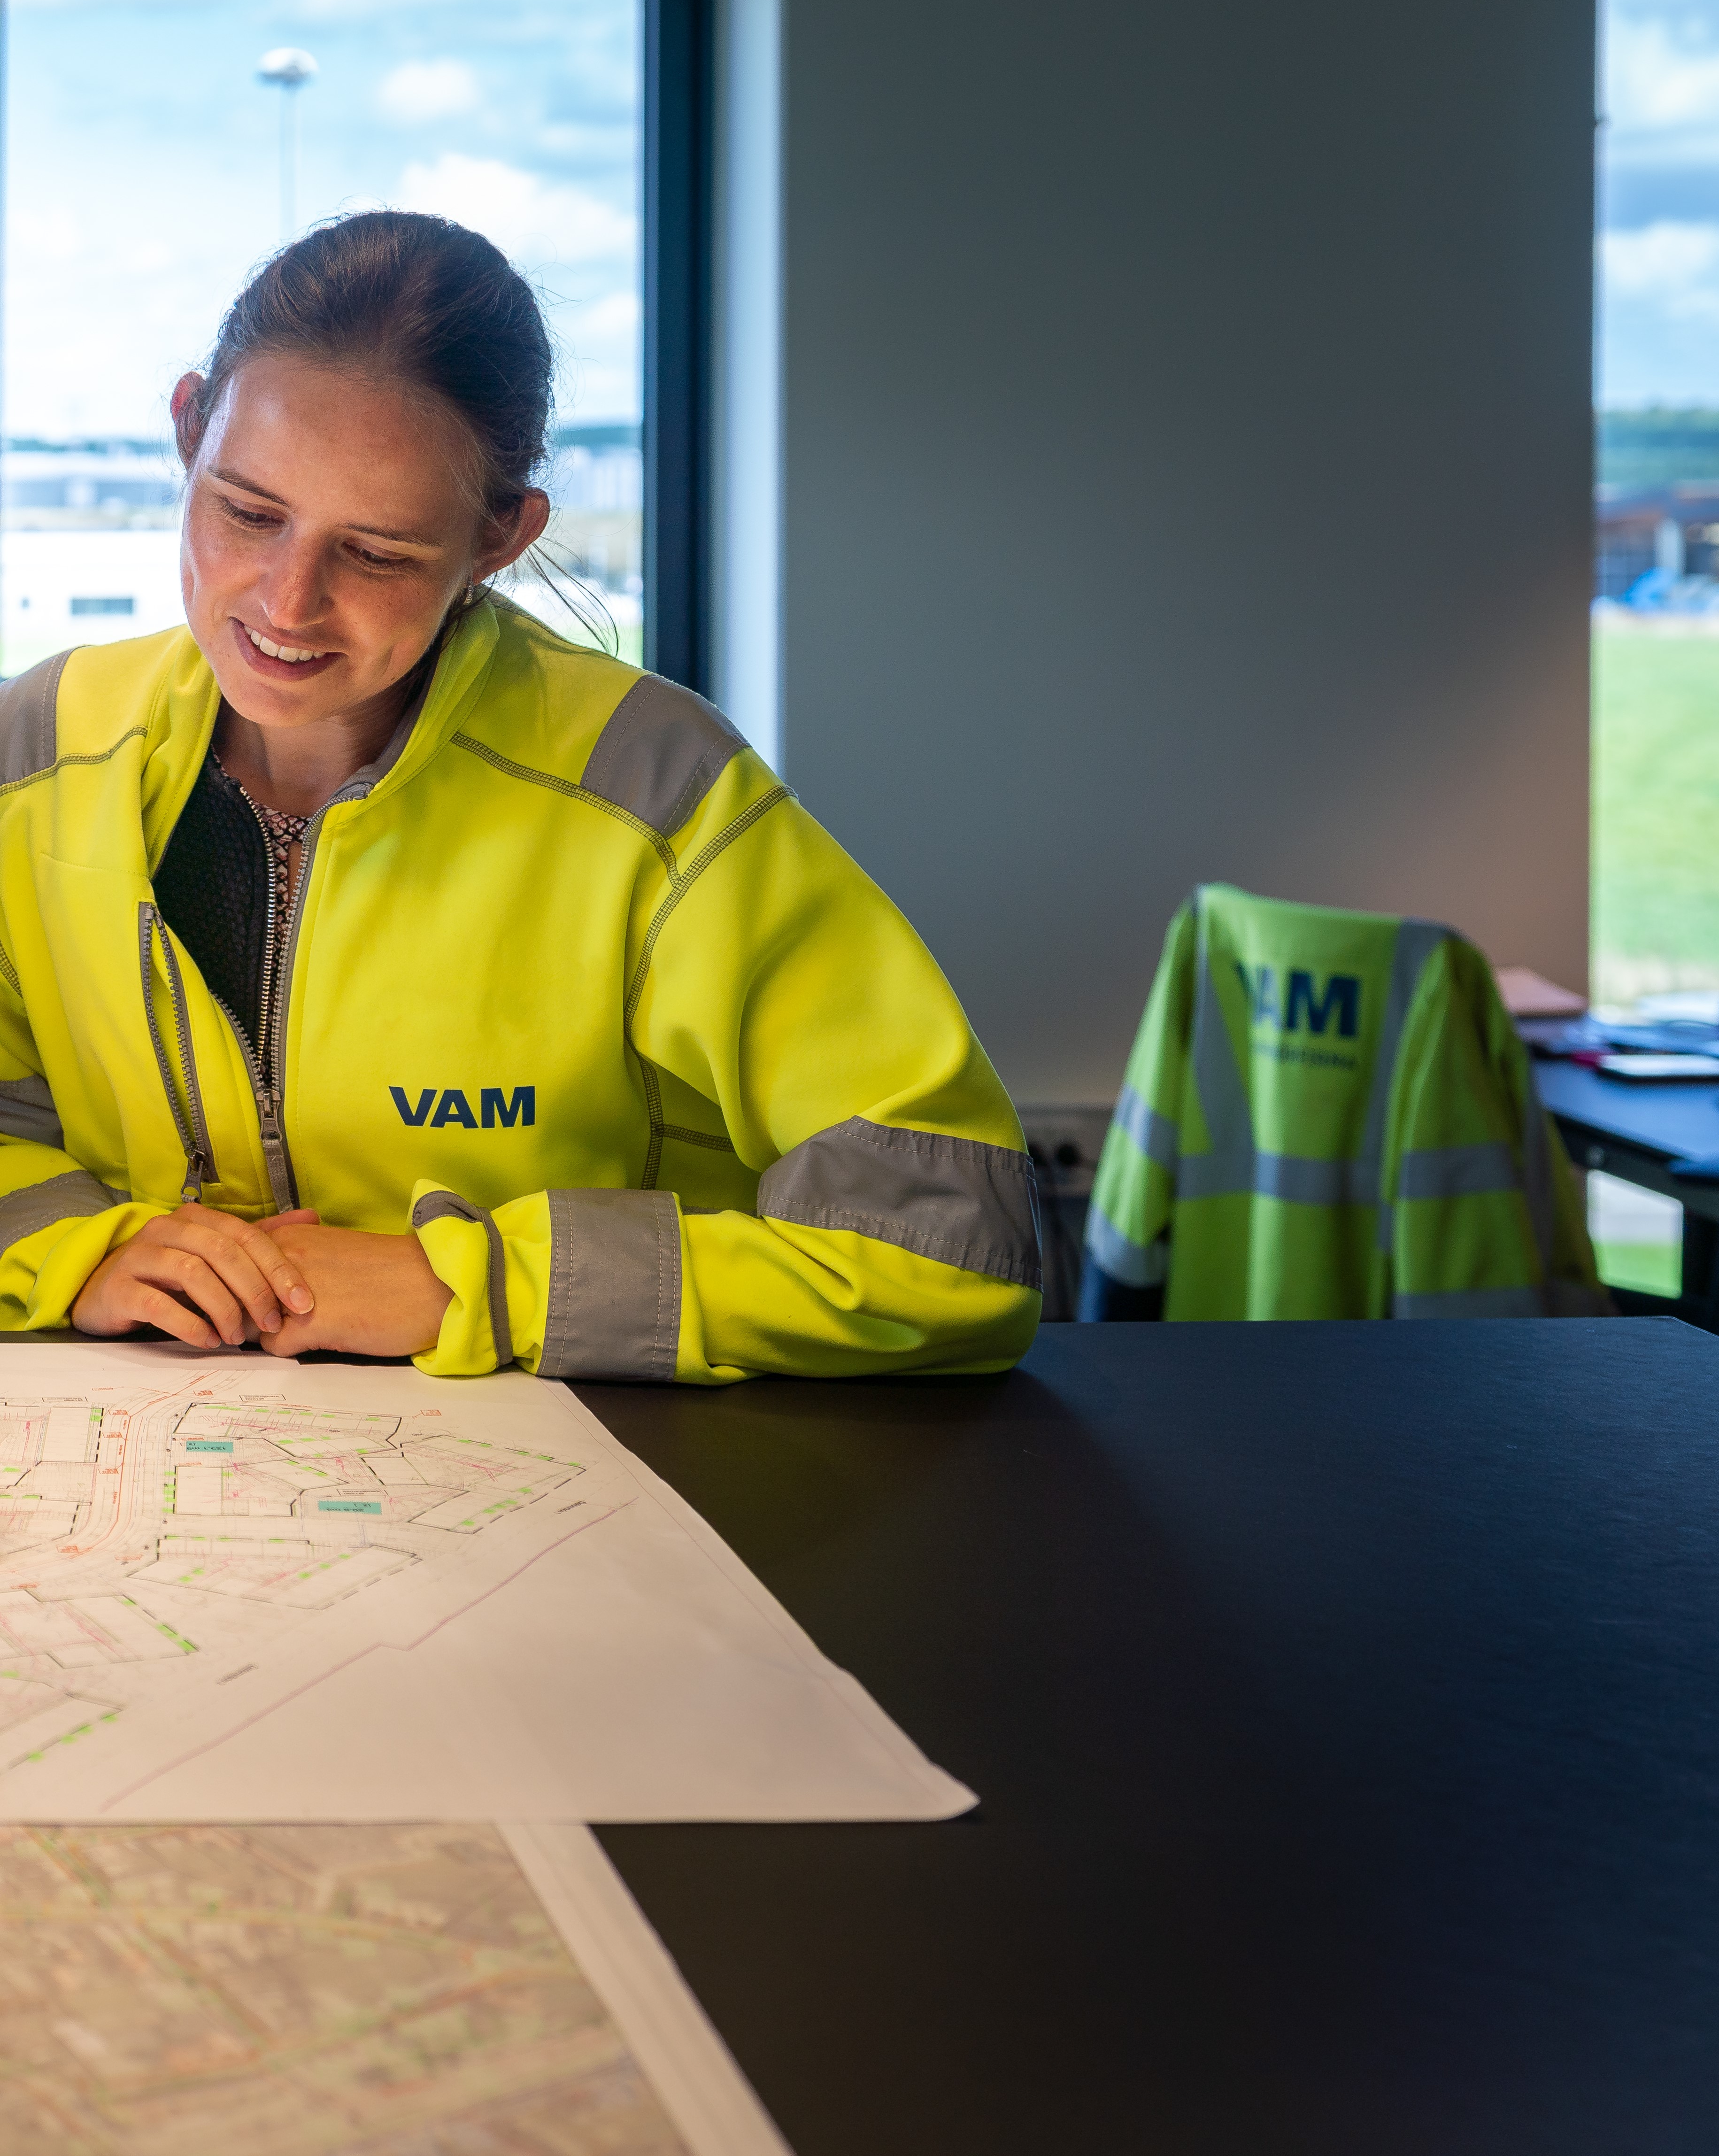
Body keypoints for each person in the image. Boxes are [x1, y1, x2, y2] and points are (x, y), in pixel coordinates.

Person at [0, 212, 1040, 1383]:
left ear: (501, 534)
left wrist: (475, 1281)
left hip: (590, 1505)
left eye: (379, 553)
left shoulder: (655, 790)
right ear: (189, 429)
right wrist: (80, 1254)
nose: (287, 603)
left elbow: (956, 1246)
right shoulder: (29, 752)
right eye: (247, 512)